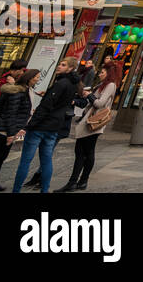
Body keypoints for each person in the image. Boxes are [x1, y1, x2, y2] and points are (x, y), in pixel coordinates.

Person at [12, 56, 82, 193]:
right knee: (46, 160)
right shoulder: (73, 84)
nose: (59, 66)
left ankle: (16, 190)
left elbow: (46, 107)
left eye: (63, 65)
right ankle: (44, 189)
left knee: (26, 160)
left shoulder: (61, 83)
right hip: (54, 126)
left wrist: (29, 125)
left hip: (41, 126)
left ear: (70, 68)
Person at [55, 62, 120, 193]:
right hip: (90, 121)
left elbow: (100, 103)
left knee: (83, 152)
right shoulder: (102, 85)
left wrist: (88, 95)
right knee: (84, 152)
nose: (100, 74)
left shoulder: (111, 85)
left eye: (102, 72)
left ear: (109, 74)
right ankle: (80, 181)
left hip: (94, 122)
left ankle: (76, 182)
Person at [0, 68, 37, 193]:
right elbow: (11, 114)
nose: (38, 79)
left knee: (0, 158)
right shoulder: (18, 92)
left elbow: (19, 112)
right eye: (36, 77)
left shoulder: (26, 91)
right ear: (30, 78)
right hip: (4, 130)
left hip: (10, 129)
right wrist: (10, 134)